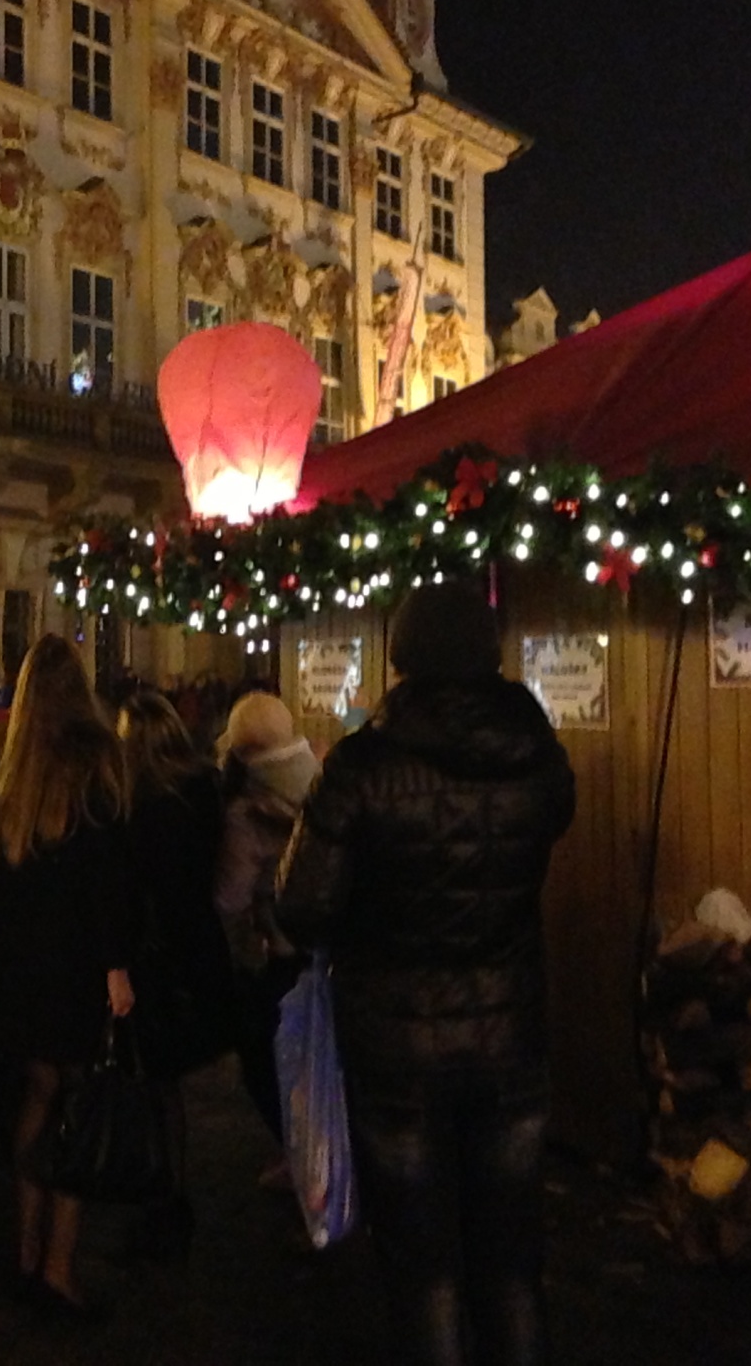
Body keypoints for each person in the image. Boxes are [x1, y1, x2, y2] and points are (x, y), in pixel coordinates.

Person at [279, 583, 575, 1366]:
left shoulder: (362, 763)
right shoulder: (536, 748)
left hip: (396, 1045)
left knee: (424, 1271)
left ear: (401, 653)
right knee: (511, 1268)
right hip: (510, 1034)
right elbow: (554, 823)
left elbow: (302, 905)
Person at [0, 634, 135, 1316]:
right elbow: (107, 872)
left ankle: (25, 1246)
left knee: (33, 1091)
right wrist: (116, 962)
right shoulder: (96, 758)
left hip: (9, 959)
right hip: (72, 959)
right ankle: (58, 1264)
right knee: (76, 1107)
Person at [116, 689, 235, 1258]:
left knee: (149, 1080)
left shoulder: (142, 801)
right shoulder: (202, 788)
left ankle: (158, 1197)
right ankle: (168, 1193)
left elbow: (138, 886)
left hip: (154, 954)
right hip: (194, 945)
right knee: (163, 1085)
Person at [214, 690, 320, 1161]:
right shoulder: (324, 784)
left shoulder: (247, 811)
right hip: (325, 953)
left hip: (274, 955)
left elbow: (229, 898)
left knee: (265, 1065)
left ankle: (304, 1165)